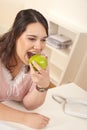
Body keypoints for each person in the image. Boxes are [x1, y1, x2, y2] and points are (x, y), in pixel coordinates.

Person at [0, 9, 50, 129]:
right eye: (32, 38)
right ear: (15, 36)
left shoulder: (40, 62)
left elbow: (29, 105)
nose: (39, 47)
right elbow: (27, 114)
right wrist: (24, 118)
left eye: (43, 39)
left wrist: (42, 86)